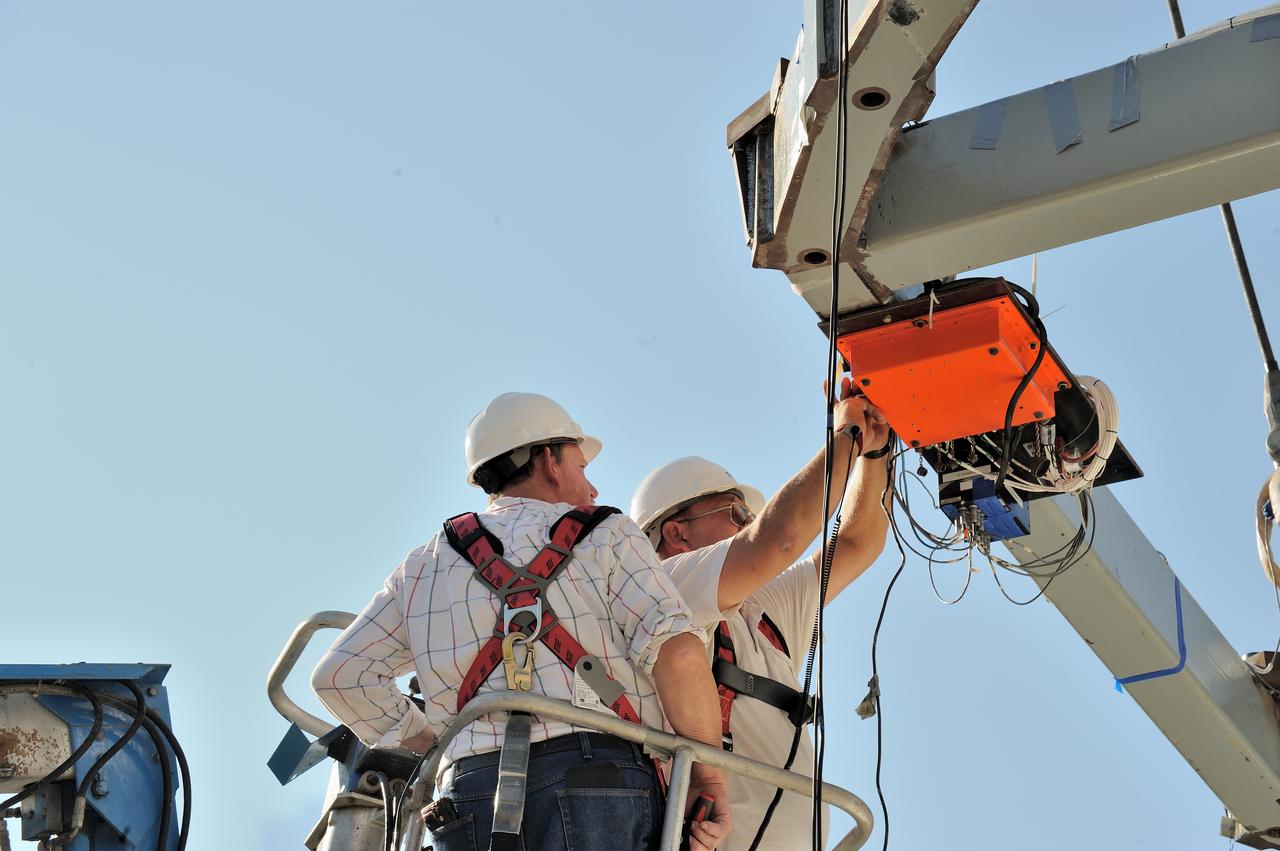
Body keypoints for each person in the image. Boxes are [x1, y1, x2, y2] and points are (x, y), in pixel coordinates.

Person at [313, 392, 731, 851]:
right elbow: (679, 652)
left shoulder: (423, 566)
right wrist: (707, 776)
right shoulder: (608, 534)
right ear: (550, 461)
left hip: (468, 794)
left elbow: (340, 676)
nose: (592, 490)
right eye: (582, 468)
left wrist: (432, 739)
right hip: (597, 783)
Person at [629, 379, 891, 851]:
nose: (747, 521)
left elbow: (856, 544)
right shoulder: (666, 589)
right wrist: (846, 438)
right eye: (734, 511)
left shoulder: (762, 609)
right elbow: (780, 539)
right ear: (676, 533)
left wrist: (873, 453)